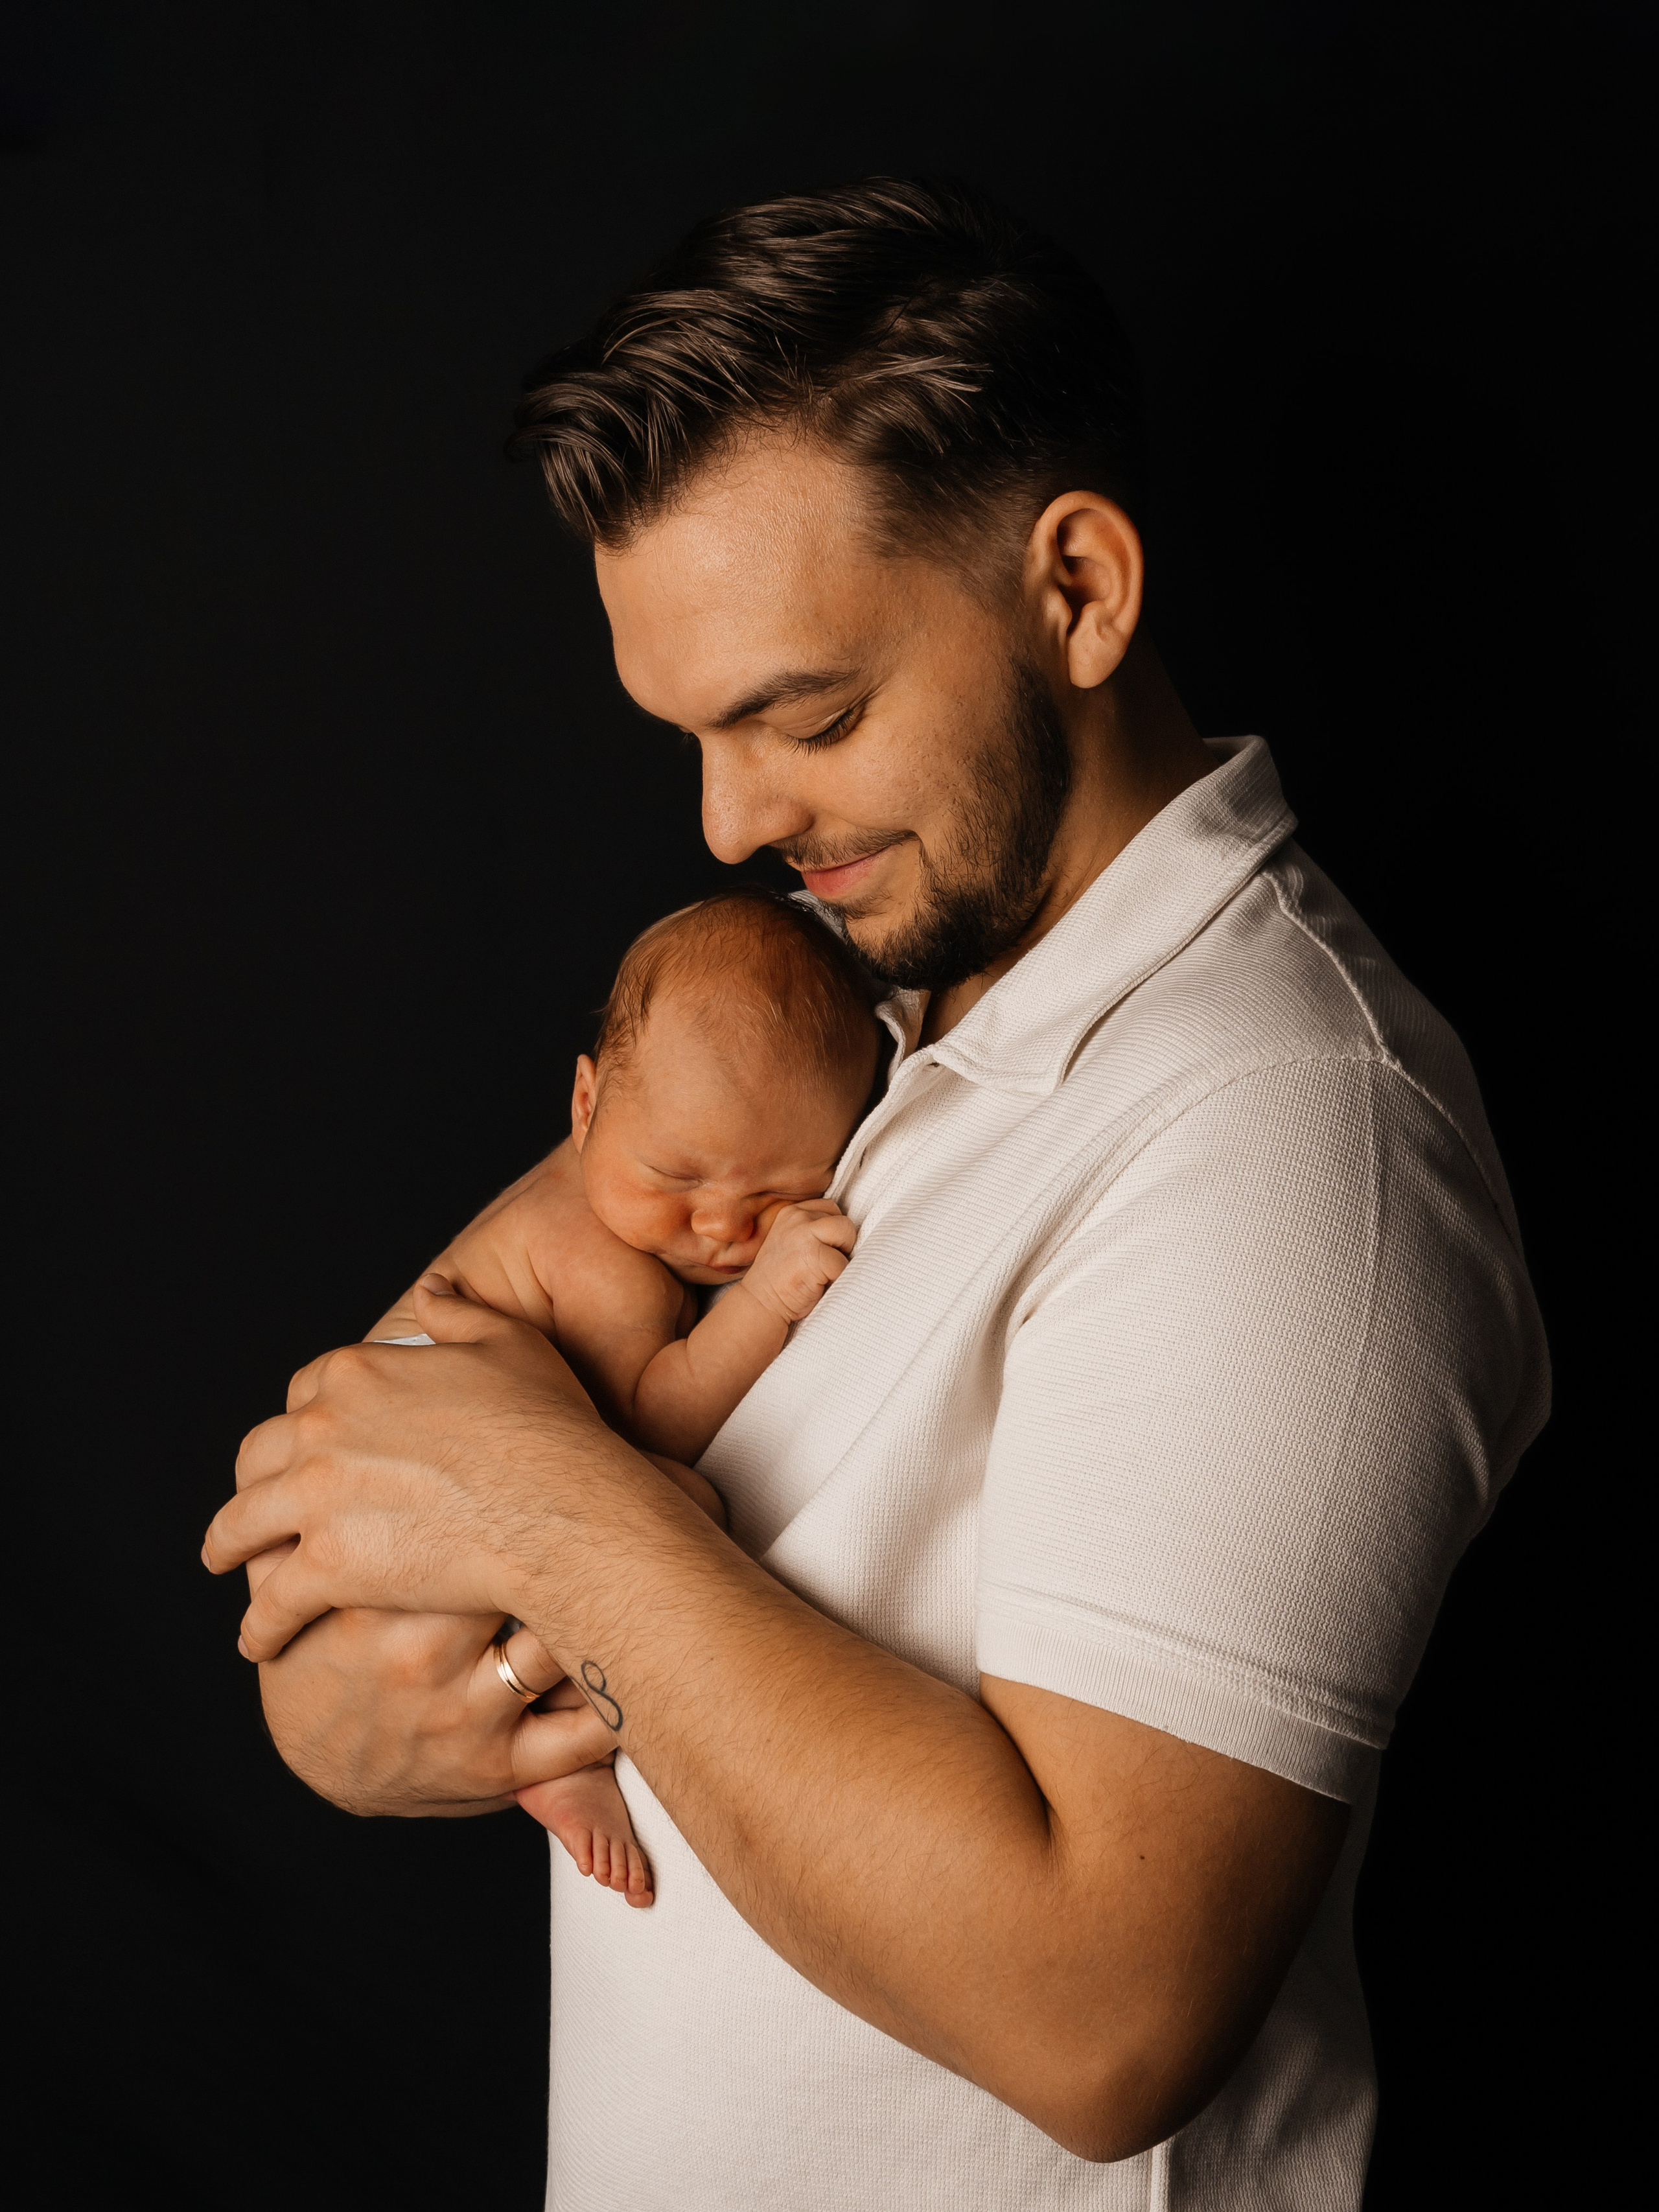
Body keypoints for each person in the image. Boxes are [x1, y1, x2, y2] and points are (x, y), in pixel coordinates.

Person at [205, 178, 1549, 2209]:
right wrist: (422, 1672)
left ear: (1078, 593)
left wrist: (543, 1518)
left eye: (806, 716)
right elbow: (319, 1625)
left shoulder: (1286, 1123)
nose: (735, 820)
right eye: (693, 739)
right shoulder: (823, 1039)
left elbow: (1108, 2016)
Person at [367, 887, 881, 1903]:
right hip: (407, 1539)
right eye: (674, 1176)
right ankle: (556, 1761)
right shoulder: (602, 1260)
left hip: (452, 1518)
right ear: (586, 1104)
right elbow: (646, 1423)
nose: (719, 1228)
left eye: (775, 1193)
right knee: (677, 1508)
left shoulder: (631, 1204)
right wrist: (766, 1297)